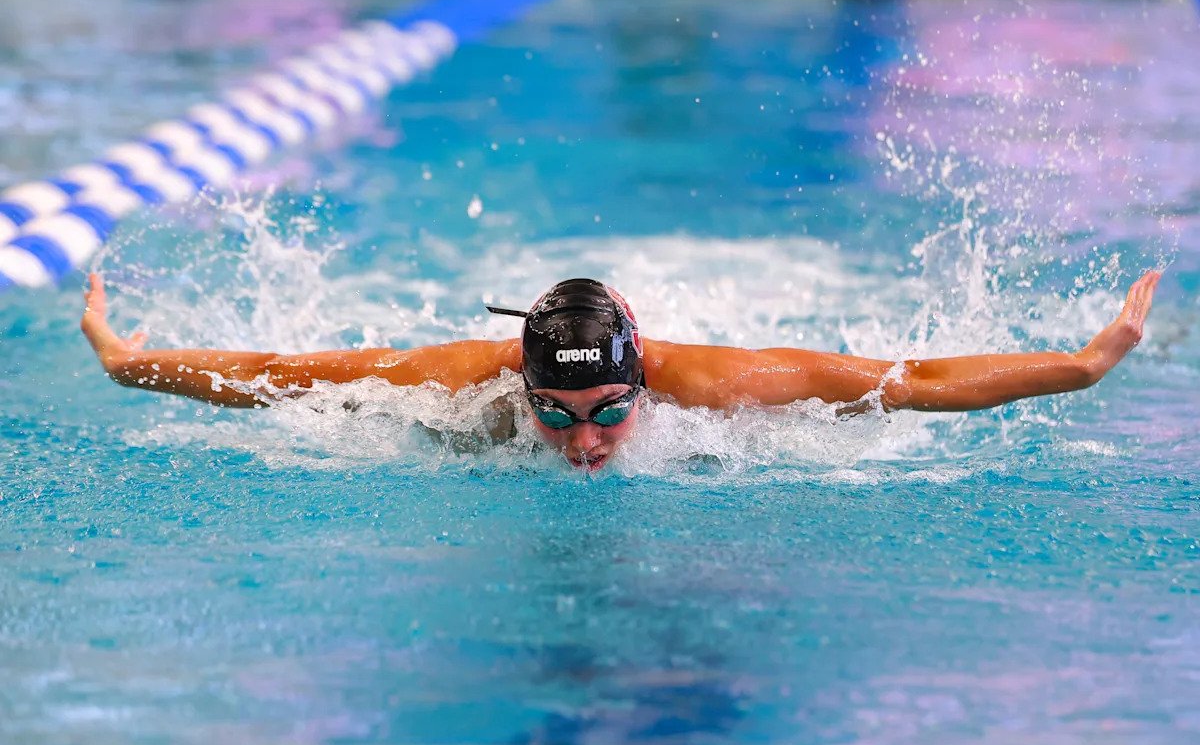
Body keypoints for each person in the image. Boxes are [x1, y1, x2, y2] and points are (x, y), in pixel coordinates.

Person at [81, 270, 1162, 472]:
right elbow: (287, 370)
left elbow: (910, 379)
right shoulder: (460, 378)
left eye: (605, 411)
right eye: (551, 413)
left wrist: (1080, 364)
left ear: (643, 381)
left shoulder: (715, 385)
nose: (584, 442)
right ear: (519, 380)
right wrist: (134, 367)